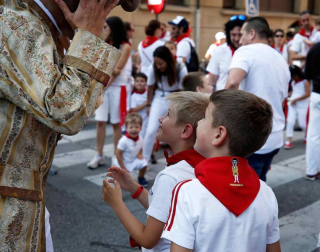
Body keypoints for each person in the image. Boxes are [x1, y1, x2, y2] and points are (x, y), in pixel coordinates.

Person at [0, 0, 138, 249]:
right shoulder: (15, 20)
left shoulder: (27, 19)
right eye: (101, 5)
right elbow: (69, 112)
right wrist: (88, 37)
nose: (102, 15)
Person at [161, 89, 281, 252]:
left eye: (205, 117)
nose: (199, 122)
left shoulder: (187, 192)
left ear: (219, 135)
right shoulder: (266, 193)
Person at [102, 92, 209, 252]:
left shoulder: (171, 176)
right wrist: (133, 187)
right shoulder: (200, 164)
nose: (160, 118)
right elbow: (164, 208)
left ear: (186, 130)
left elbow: (147, 239)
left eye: (168, 115)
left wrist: (116, 203)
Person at [225, 17, 290, 182]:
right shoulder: (279, 58)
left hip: (253, 136)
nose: (239, 40)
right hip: (274, 136)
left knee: (242, 187)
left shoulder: (245, 51)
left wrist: (220, 113)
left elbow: (232, 82)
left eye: (242, 34)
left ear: (252, 33)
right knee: (259, 182)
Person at [88, 16, 132, 169]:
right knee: (100, 121)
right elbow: (94, 61)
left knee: (115, 123)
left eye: (106, 27)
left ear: (114, 27)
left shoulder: (125, 46)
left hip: (117, 88)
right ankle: (99, 155)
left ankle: (115, 155)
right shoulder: (105, 44)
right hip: (103, 87)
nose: (104, 29)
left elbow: (117, 71)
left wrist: (105, 74)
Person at [143, 46, 188, 162]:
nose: (158, 67)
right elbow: (150, 86)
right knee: (151, 130)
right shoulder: (153, 67)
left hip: (175, 98)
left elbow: (183, 89)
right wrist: (148, 105)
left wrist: (179, 106)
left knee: (176, 131)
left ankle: (177, 160)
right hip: (159, 97)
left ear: (167, 60)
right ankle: (144, 161)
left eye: (161, 64)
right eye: (156, 64)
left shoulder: (180, 67)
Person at [207, 15, 245, 91]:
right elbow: (212, 80)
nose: (237, 39)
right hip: (222, 98)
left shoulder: (250, 52)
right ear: (228, 35)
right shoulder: (219, 50)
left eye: (240, 34)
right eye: (233, 35)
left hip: (245, 100)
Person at [116, 113, 149, 186]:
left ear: (141, 128)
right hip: (123, 162)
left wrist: (140, 154)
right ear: (126, 128)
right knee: (122, 182)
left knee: (144, 163)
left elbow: (140, 147)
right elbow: (118, 154)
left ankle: (141, 178)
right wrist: (123, 167)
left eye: (136, 127)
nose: (134, 129)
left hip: (133, 160)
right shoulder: (123, 140)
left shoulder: (140, 138)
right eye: (131, 127)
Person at [284, 65, 310, 149]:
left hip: (302, 104)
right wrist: (288, 94)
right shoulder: (293, 81)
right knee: (290, 121)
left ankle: (307, 135)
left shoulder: (305, 81)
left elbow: (307, 93)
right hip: (292, 103)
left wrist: (297, 99)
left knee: (303, 124)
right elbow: (294, 91)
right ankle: (289, 140)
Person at [305, 42, 320, 180]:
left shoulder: (314, 49)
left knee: (313, 135)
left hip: (316, 94)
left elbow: (307, 74)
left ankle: (311, 170)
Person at [130, 73, 149, 139]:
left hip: (149, 119)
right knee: (141, 138)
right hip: (140, 121)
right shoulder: (133, 96)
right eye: (137, 81)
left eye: (142, 81)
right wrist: (146, 102)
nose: (139, 83)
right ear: (134, 83)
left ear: (146, 83)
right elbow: (133, 110)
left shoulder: (149, 93)